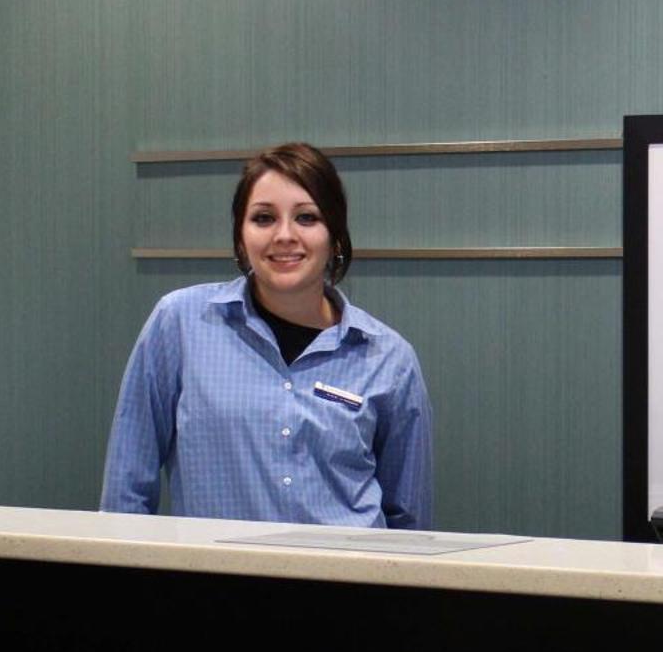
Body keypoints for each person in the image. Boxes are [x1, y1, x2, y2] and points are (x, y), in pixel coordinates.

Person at [100, 142, 432, 528]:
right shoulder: (179, 324)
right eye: (263, 218)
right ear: (241, 237)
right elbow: (126, 491)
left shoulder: (389, 359)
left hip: (348, 582)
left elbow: (409, 524)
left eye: (307, 218)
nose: (285, 235)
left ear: (335, 237)